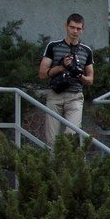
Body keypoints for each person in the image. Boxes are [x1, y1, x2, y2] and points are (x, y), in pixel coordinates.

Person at [38, 13, 95, 143]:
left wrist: (79, 74)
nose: (75, 31)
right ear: (66, 26)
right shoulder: (53, 46)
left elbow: (90, 79)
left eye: (78, 28)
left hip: (75, 96)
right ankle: (54, 163)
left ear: (83, 29)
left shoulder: (86, 50)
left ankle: (67, 162)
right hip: (55, 94)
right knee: (51, 138)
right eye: (72, 27)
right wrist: (61, 67)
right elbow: (42, 74)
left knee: (71, 134)